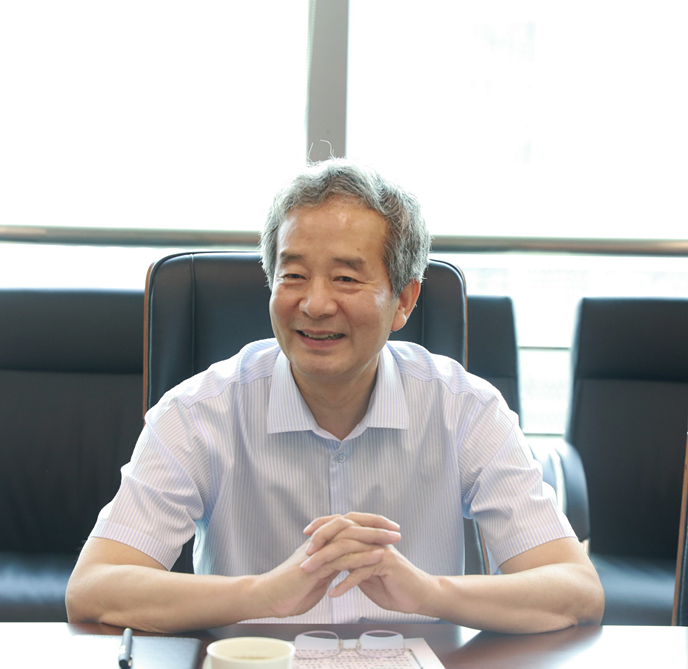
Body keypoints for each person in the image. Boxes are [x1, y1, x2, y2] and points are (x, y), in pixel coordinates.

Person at [66, 159, 604, 633]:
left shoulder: (464, 409)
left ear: (404, 300)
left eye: (346, 279)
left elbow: (576, 592)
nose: (316, 304)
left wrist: (428, 593)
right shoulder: (198, 412)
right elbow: (94, 588)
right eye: (293, 275)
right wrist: (264, 594)